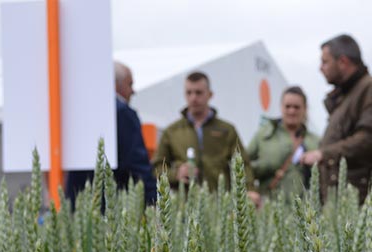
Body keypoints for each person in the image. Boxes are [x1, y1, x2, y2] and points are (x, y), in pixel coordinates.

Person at [301, 34, 372, 203]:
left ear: (343, 62)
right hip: (344, 204)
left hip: (365, 204)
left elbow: (371, 138)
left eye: (325, 62)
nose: (320, 68)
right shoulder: (345, 97)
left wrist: (323, 154)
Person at [152, 71, 257, 202]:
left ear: (210, 94)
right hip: (186, 205)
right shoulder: (172, 131)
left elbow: (243, 164)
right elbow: (157, 166)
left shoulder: (227, 130)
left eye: (198, 92)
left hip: (219, 203)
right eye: (189, 93)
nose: (193, 98)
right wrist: (176, 174)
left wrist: (250, 190)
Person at [65, 62, 157, 207]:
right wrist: (153, 199)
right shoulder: (122, 112)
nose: (133, 91)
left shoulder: (80, 109)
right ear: (116, 84)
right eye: (130, 84)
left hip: (77, 200)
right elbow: (137, 163)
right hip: (112, 204)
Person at [246, 86, 320, 200]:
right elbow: (244, 165)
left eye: (297, 107)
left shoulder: (315, 141)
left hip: (304, 210)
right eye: (288, 106)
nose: (292, 111)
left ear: (305, 109)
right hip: (269, 206)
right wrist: (250, 190)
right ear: (281, 107)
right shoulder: (263, 135)